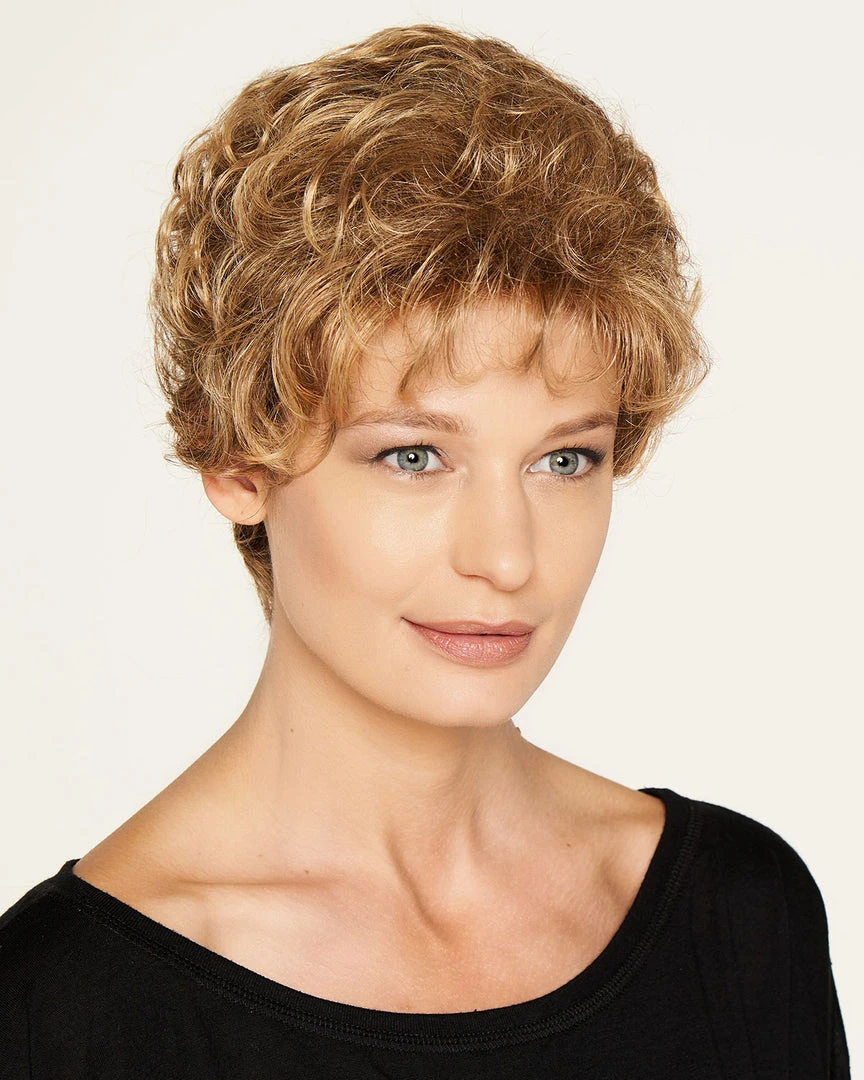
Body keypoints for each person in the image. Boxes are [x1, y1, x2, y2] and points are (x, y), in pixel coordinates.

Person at [0, 23, 849, 1079]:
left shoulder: (738, 915)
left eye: (564, 461)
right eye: (413, 456)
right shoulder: (62, 1014)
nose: (507, 559)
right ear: (239, 461)